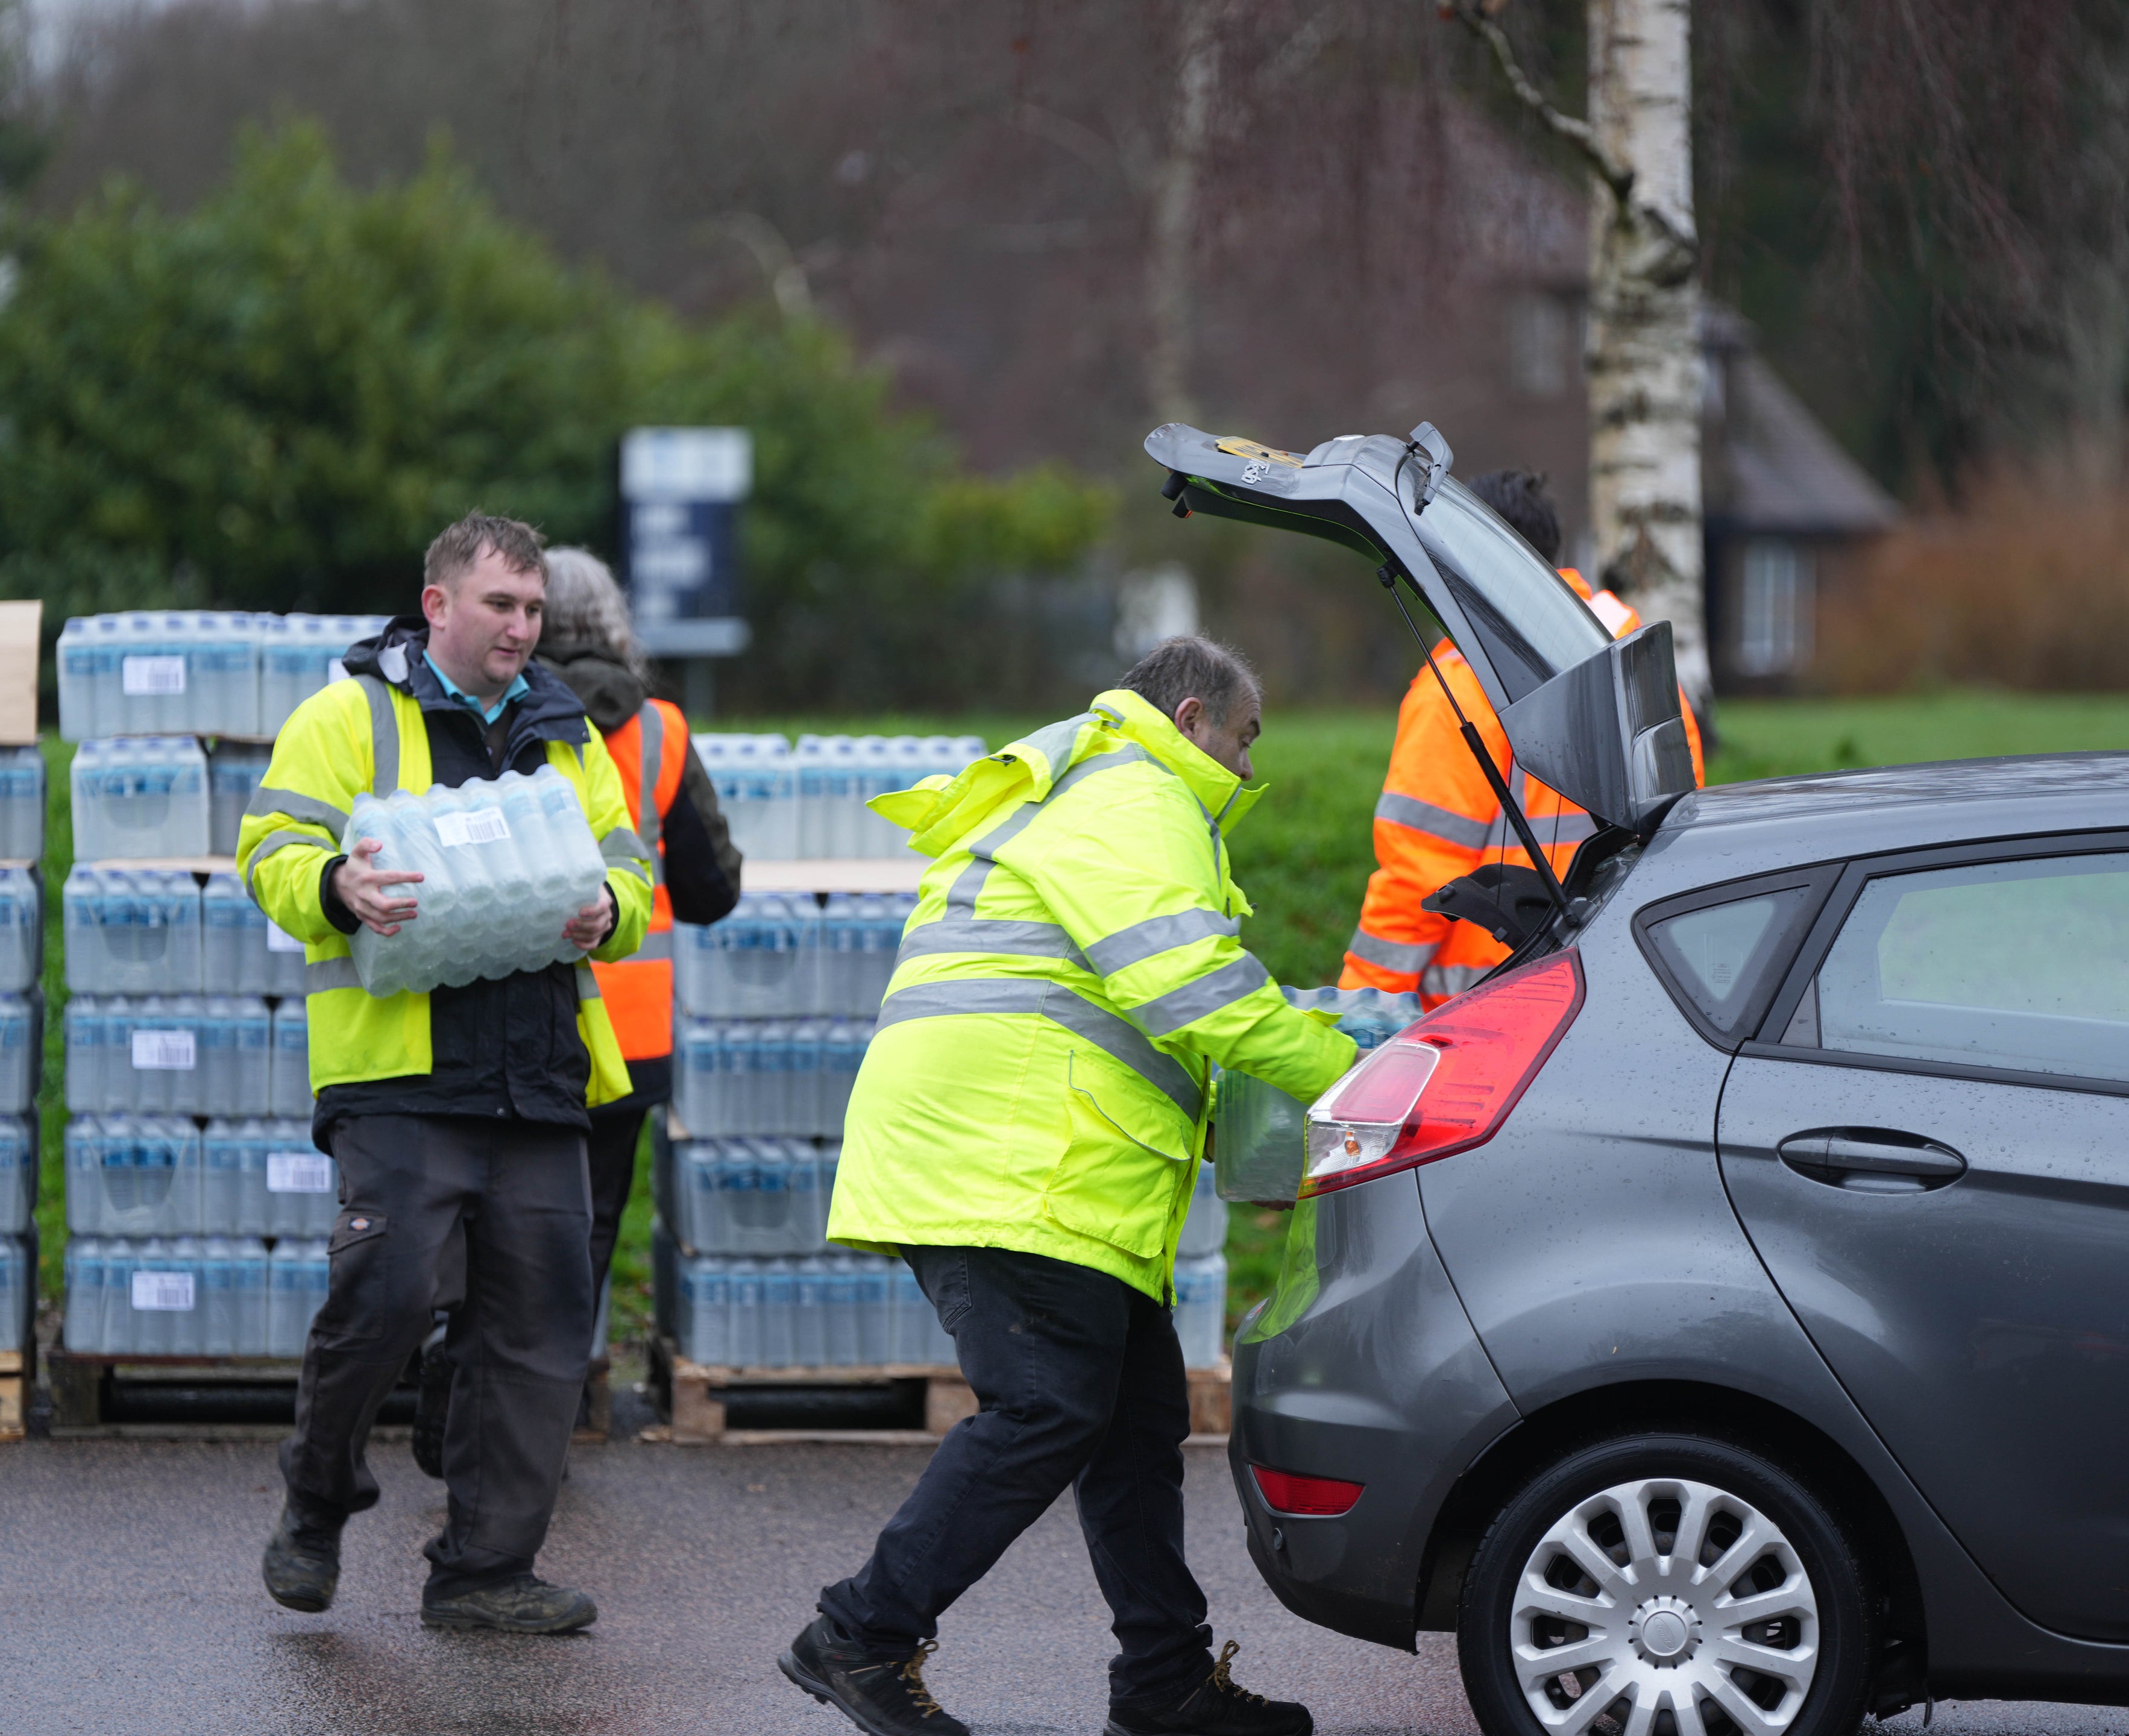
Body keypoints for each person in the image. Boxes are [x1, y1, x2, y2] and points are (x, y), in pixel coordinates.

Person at [779, 637, 1357, 1736]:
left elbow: (1142, 1001)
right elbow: (1189, 986)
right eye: (1246, 740)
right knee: (1049, 1407)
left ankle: (1166, 1684)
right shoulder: (1139, 798)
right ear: (1192, 718)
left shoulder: (1095, 783)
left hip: (1039, 1156)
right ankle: (861, 1634)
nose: (1250, 766)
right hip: (1015, 1158)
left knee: (1135, 1430)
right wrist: (1357, 1074)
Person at [243, 512, 654, 1634]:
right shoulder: (347, 718)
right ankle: (317, 1501)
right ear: (438, 606)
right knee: (383, 1298)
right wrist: (337, 888)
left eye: (532, 609)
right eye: (500, 606)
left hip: (538, 1074)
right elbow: (269, 849)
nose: (522, 628)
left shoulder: (566, 732)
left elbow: (632, 873)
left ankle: (483, 1571)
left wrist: (610, 909)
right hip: (399, 1074)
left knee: (540, 1331)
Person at [1339, 470, 1705, 1008]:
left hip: (1487, 1009)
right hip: (1624, 989)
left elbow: (1416, 879)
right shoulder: (1640, 668)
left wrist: (1356, 1015)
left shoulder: (1460, 687)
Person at [535, 547, 742, 1411]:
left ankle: (488, 1393)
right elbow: (711, 890)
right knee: (590, 1220)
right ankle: (572, 1394)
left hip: (517, 1018)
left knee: (505, 1216)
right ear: (618, 621)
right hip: (629, 1029)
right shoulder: (660, 730)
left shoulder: (494, 717)